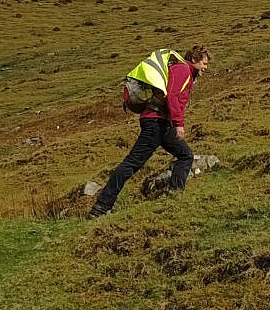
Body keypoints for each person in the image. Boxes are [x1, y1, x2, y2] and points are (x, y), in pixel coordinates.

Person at [89, 45, 212, 217]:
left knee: (185, 155)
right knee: (132, 163)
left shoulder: (185, 72)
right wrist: (179, 124)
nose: (206, 68)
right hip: (156, 122)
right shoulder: (182, 69)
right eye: (204, 63)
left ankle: (175, 195)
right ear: (194, 59)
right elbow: (172, 95)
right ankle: (101, 207)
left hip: (162, 124)